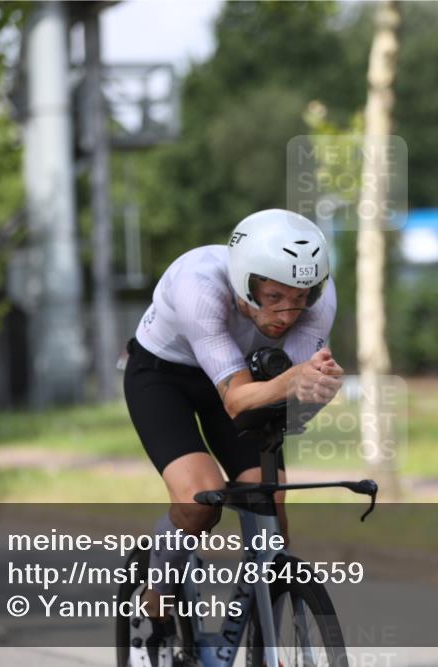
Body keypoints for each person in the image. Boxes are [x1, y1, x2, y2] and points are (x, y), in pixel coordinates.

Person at [122, 209, 344, 667]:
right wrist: (293, 382)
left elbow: (290, 406)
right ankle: (158, 592)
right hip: (166, 378)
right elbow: (239, 400)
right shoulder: (199, 285)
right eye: (274, 296)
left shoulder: (318, 299)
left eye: (301, 297)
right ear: (245, 282)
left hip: (248, 378)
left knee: (270, 501)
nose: (287, 312)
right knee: (201, 501)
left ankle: (263, 634)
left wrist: (315, 392)